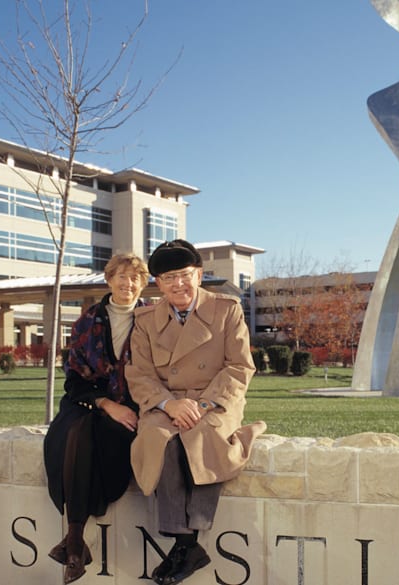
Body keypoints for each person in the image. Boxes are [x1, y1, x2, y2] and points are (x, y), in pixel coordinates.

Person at [126, 239, 266, 585]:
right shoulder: (144, 319)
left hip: (216, 400)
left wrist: (202, 405)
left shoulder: (226, 308)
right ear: (157, 283)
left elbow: (239, 367)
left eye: (185, 275)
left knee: (200, 437)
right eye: (169, 278)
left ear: (199, 274)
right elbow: (139, 374)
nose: (178, 284)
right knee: (160, 438)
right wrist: (169, 404)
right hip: (166, 402)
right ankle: (186, 543)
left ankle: (186, 544)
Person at [43, 253, 149, 584]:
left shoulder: (153, 320)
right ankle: (75, 538)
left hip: (136, 405)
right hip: (88, 401)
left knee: (97, 435)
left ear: (142, 284)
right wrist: (104, 402)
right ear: (109, 279)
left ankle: (74, 541)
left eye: (134, 278)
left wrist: (124, 406)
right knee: (75, 430)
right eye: (121, 276)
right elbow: (74, 378)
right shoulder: (87, 321)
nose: (127, 283)